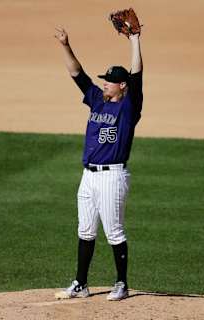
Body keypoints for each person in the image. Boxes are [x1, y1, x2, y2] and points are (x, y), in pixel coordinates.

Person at [53, 25, 143, 301]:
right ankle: (81, 284)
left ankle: (122, 284)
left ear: (122, 85)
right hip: (89, 176)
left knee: (114, 232)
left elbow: (138, 76)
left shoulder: (128, 108)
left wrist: (135, 41)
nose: (104, 83)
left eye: (109, 81)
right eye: (104, 79)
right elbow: (76, 73)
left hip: (112, 177)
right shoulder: (98, 101)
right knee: (85, 230)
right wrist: (66, 45)